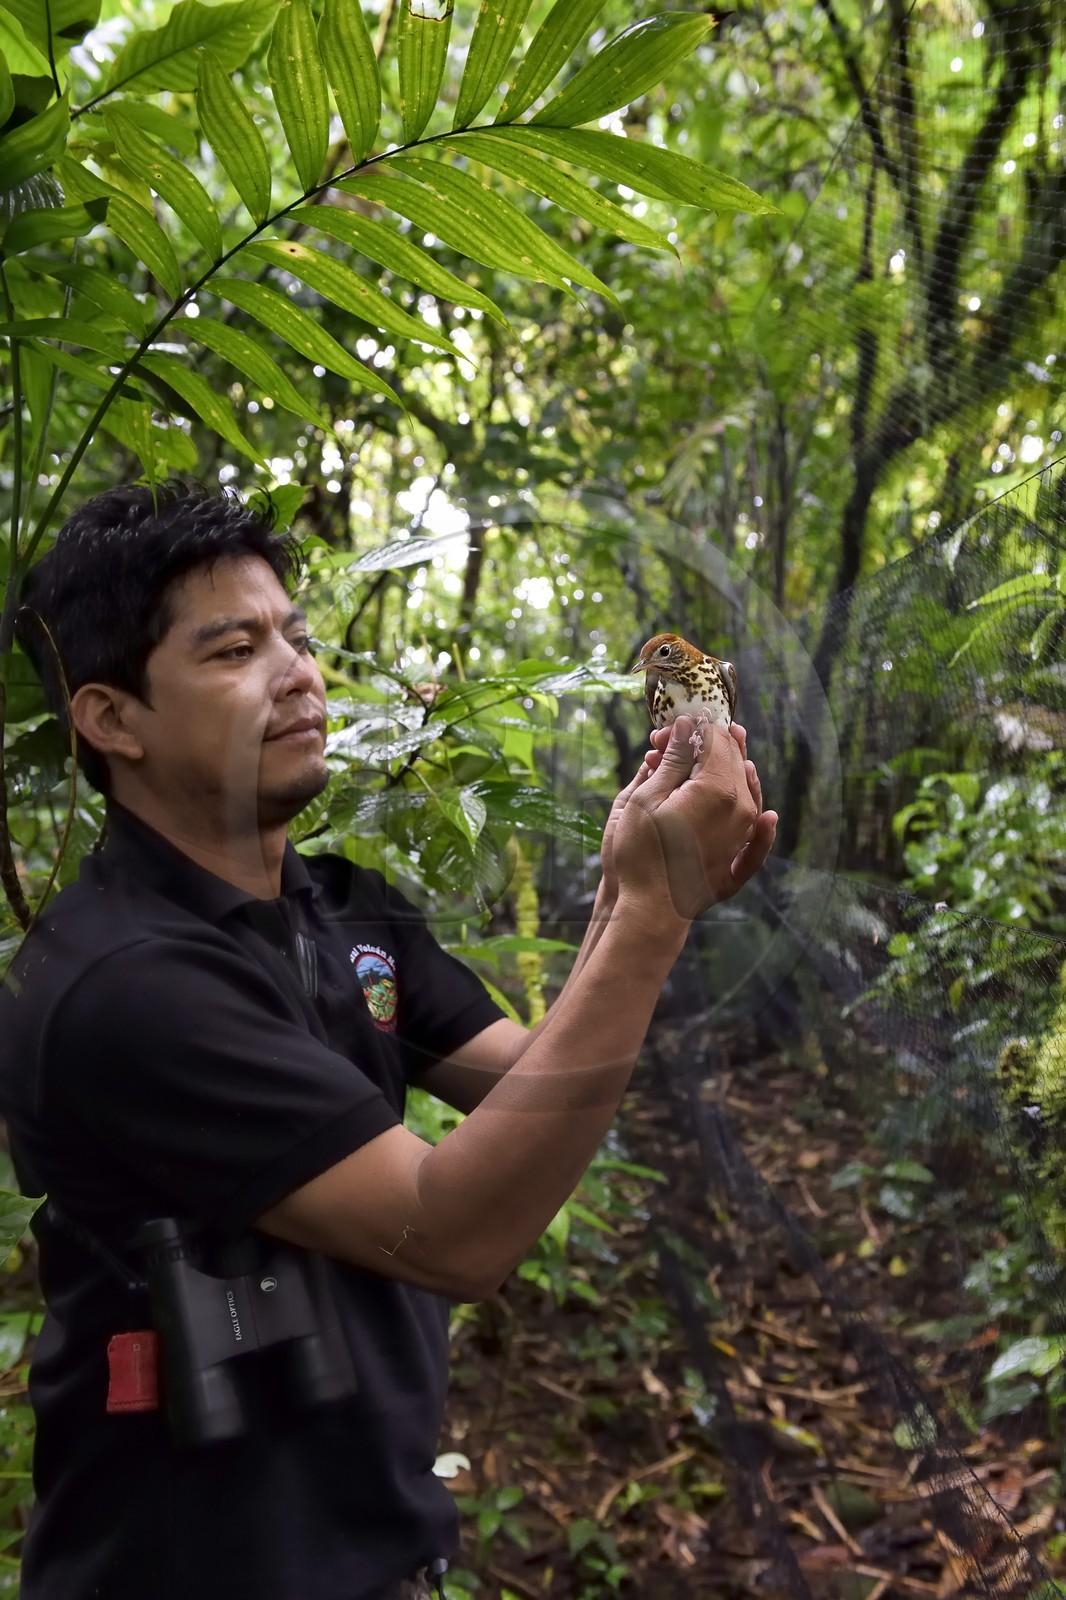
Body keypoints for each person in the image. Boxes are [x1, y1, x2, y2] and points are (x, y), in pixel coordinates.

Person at [0, 482, 777, 1600]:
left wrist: (631, 888)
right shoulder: (122, 983)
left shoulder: (341, 909)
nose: (297, 673)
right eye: (232, 651)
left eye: (296, 638)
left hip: (375, 1556)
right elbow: (453, 1233)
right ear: (112, 717)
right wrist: (651, 916)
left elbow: (528, 1085)